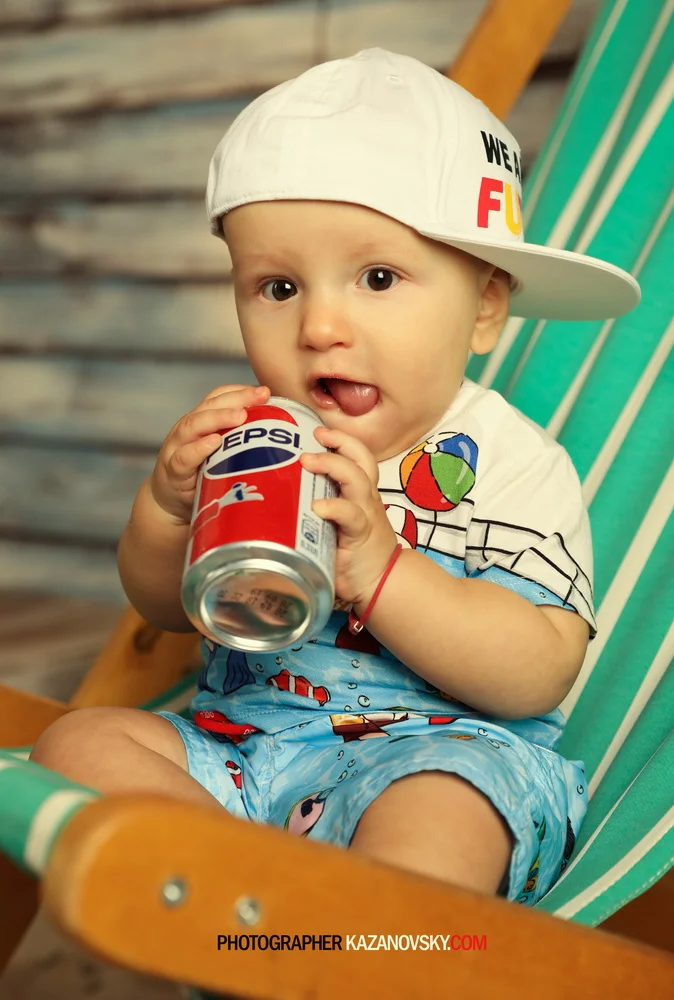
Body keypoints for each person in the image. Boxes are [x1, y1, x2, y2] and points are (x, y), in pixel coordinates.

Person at [31, 49, 640, 905]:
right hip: (241, 758)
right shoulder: (258, 440)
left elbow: (536, 671)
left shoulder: (512, 460)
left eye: (377, 278)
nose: (319, 326)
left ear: (486, 306)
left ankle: (346, 937)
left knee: (447, 814)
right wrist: (166, 508)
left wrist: (382, 571)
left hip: (435, 754)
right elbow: (167, 606)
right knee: (79, 743)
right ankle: (250, 905)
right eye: (278, 286)